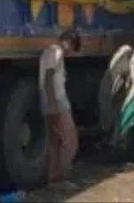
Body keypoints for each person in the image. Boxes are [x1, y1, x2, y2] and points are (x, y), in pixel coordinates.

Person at [39, 29, 81, 185]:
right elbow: (48, 78)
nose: (70, 52)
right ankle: (62, 177)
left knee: (54, 141)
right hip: (57, 102)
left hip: (50, 101)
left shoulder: (51, 52)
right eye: (73, 47)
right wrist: (53, 105)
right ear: (69, 42)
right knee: (70, 141)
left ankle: (53, 178)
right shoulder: (56, 51)